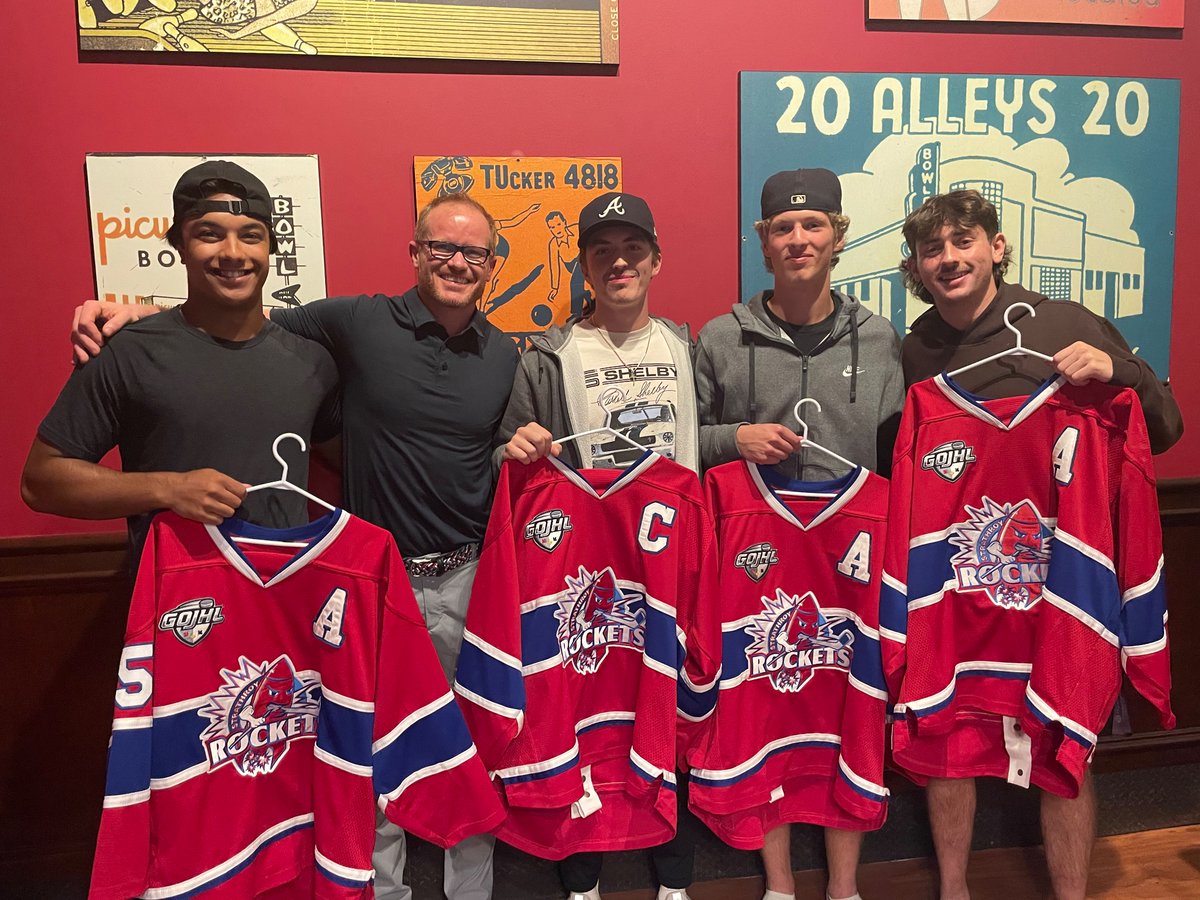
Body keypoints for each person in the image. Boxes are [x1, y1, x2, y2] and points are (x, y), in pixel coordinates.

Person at [69, 191, 520, 900]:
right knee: (370, 755)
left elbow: (500, 445)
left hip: (472, 576)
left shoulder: (506, 353)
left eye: (474, 253)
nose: (457, 263)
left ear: (493, 265)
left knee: (471, 750)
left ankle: (474, 892)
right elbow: (235, 316)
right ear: (414, 252)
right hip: (374, 584)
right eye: (442, 247)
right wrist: (132, 318)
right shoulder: (356, 319)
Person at [896, 188, 1183, 900]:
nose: (949, 259)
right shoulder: (918, 353)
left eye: (964, 241)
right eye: (933, 249)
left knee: (1067, 749)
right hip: (963, 596)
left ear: (997, 246)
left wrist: (1121, 371)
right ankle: (953, 888)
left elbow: (1163, 428)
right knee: (949, 744)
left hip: (1063, 596)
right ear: (918, 267)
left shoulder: (1063, 321)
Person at [693, 168, 904, 900]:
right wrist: (734, 436)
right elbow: (682, 444)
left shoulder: (880, 337)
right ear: (762, 241)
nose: (798, 239)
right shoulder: (722, 337)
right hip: (756, 550)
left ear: (839, 236)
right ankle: (779, 881)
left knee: (849, 708)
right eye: (783, 228)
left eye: (813, 225)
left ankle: (843, 885)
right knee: (763, 711)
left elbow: (902, 452)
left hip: (851, 550)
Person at [497, 191, 697, 900]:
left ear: (655, 258)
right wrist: (514, 446)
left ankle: (674, 876)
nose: (619, 262)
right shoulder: (546, 357)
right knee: (581, 711)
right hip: (587, 565)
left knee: (669, 705)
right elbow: (511, 459)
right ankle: (581, 875)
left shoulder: (686, 344)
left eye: (632, 248)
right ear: (583, 266)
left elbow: (713, 436)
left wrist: (744, 439)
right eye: (602, 251)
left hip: (673, 560)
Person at [23, 159, 339, 567]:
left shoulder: (312, 361)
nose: (232, 252)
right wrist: (169, 489)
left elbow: (352, 461)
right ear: (180, 247)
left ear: (270, 248)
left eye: (251, 236)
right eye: (209, 234)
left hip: (285, 603)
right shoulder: (126, 352)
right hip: (176, 609)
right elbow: (40, 481)